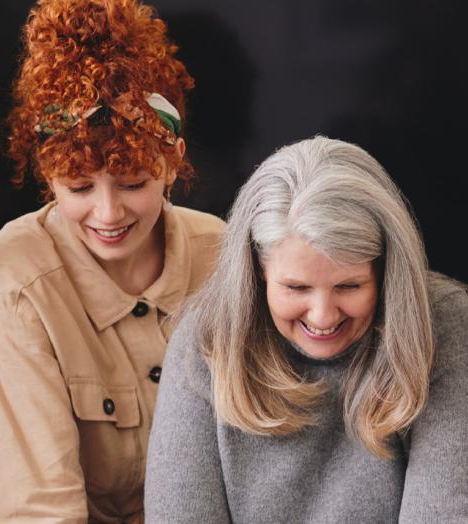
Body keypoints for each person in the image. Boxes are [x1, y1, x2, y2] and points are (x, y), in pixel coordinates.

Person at [0, 0, 225, 520]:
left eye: (133, 183)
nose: (108, 214)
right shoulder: (16, 287)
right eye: (79, 186)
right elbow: (36, 511)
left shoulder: (223, 258)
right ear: (47, 173)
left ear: (171, 161)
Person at [145, 136, 468, 522]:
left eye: (349, 286)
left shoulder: (447, 325)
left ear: (384, 271)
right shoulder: (205, 341)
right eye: (296, 288)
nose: (322, 316)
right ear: (257, 271)